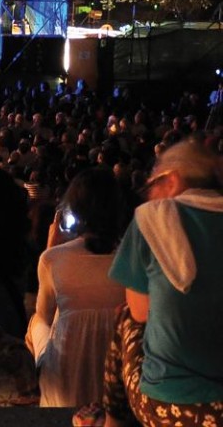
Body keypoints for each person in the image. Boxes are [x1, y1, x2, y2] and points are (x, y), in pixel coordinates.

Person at [94, 139, 223, 427]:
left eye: (155, 183)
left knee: (126, 318)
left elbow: (140, 312)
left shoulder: (154, 218)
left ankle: (113, 421)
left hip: (172, 405)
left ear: (173, 179)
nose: (150, 192)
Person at [25, 167, 126, 408]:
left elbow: (44, 316)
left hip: (67, 379)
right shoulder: (132, 255)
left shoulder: (53, 259)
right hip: (118, 367)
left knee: (36, 322)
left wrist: (50, 248)